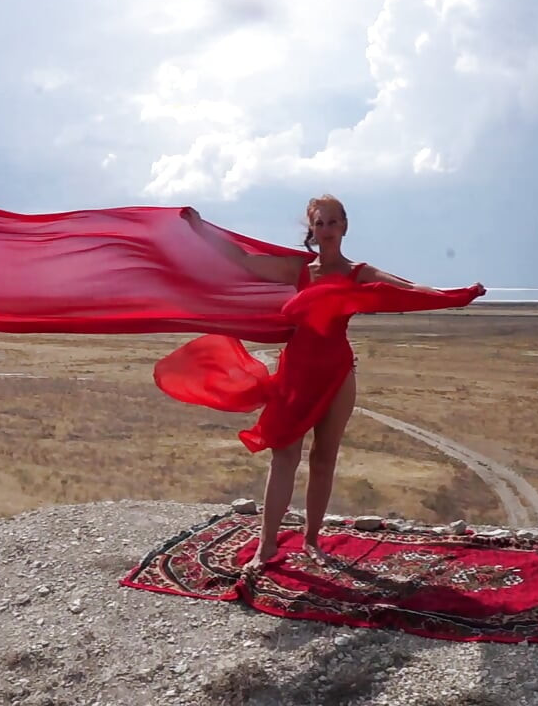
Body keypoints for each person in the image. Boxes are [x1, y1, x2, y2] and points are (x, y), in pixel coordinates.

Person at [180, 196, 484, 577]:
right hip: (297, 371)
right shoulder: (299, 268)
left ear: (344, 226)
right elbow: (242, 260)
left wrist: (456, 296)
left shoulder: (359, 272)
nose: (326, 230)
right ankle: (267, 544)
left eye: (332, 222)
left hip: (337, 372)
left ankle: (311, 540)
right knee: (284, 455)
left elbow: (407, 288)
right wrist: (201, 229)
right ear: (312, 228)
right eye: (319, 223)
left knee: (324, 458)